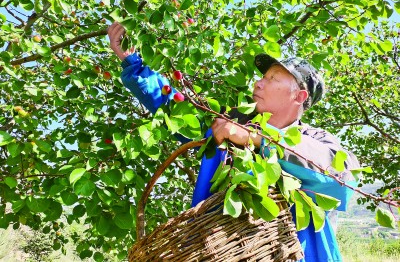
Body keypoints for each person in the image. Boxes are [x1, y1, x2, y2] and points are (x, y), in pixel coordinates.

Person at [108, 22, 360, 262]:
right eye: (263, 77)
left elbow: (342, 182)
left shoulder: (315, 140)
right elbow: (176, 109)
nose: (259, 82)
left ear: (299, 95)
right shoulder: (229, 124)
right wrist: (133, 63)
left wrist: (259, 138)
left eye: (273, 78)